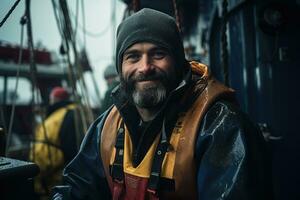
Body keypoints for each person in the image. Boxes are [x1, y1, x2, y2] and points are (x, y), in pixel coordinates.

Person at [52, 8, 273, 200]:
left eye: (158, 54)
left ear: (178, 61)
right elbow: (78, 188)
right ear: (121, 67)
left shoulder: (221, 128)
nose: (145, 67)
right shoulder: (106, 127)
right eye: (133, 56)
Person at [30, 86, 84, 200]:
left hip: (54, 177)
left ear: (54, 99)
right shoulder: (69, 113)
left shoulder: (65, 115)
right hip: (51, 175)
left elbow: (70, 148)